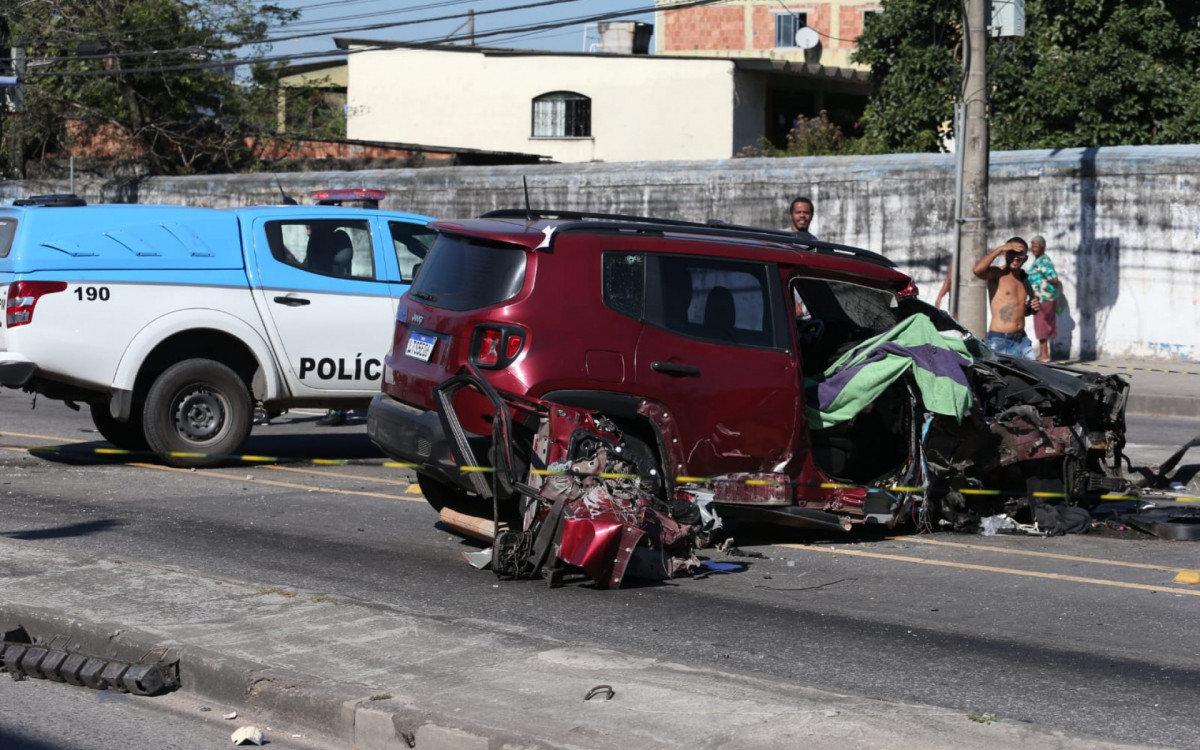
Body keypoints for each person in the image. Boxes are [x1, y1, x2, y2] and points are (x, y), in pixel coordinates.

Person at [973, 237, 1039, 358]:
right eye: (1012, 252)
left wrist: (1031, 308)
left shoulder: (1024, 279)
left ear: (1025, 258)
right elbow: (978, 270)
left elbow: (1019, 311)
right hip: (1001, 340)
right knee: (1003, 371)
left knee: (1034, 370)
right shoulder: (997, 274)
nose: (1016, 257)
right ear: (1005, 254)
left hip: (1022, 340)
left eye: (1020, 254)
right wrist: (1000, 249)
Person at [1026, 235, 1063, 362]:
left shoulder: (1044, 262)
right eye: (1032, 246)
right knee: (1041, 325)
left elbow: (1054, 280)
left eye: (1036, 246)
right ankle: (1044, 353)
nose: (1033, 249)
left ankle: (1045, 354)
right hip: (1040, 298)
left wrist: (1043, 284)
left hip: (1044, 298)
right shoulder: (1038, 261)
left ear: (1043, 247)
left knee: (1042, 325)